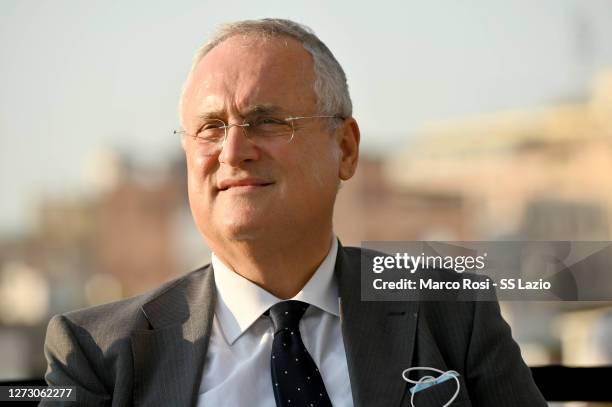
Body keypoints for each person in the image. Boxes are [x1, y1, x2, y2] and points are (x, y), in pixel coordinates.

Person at [42, 18, 547, 406]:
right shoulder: (97, 354)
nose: (232, 150)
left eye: (266, 122)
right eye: (211, 127)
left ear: (345, 149)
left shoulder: (450, 311)